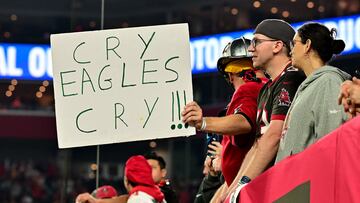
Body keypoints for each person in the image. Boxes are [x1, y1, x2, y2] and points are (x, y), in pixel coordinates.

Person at [223, 19, 306, 202]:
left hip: (290, 184)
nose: (251, 49)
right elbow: (258, 144)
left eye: (257, 42)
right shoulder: (267, 87)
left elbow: (275, 135)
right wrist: (232, 189)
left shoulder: (291, 77)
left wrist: (245, 182)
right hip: (273, 185)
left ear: (277, 46)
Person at [182, 37, 267, 197]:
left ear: (231, 74)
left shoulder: (248, 88)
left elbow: (243, 122)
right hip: (253, 183)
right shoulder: (265, 87)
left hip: (251, 189)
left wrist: (203, 122)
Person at [275, 22, 350, 162]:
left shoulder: (328, 82)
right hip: (295, 179)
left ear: (307, 45)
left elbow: (332, 143)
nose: (290, 51)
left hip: (313, 180)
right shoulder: (311, 84)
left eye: (294, 43)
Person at [75, 155, 165, 203]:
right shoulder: (156, 195)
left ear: (126, 180)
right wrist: (97, 201)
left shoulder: (137, 199)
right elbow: (126, 199)